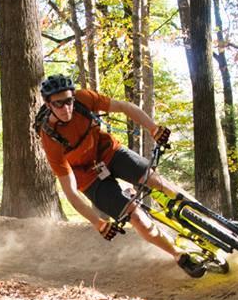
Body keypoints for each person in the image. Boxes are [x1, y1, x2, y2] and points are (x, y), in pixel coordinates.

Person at [36, 73, 207, 278]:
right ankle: (180, 256)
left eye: (69, 101)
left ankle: (212, 222)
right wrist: (98, 223)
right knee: (136, 217)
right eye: (58, 104)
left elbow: (124, 107)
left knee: (158, 181)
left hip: (109, 151)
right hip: (87, 176)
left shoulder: (84, 99)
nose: (66, 108)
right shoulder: (50, 139)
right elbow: (71, 192)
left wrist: (153, 129)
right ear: (48, 104)